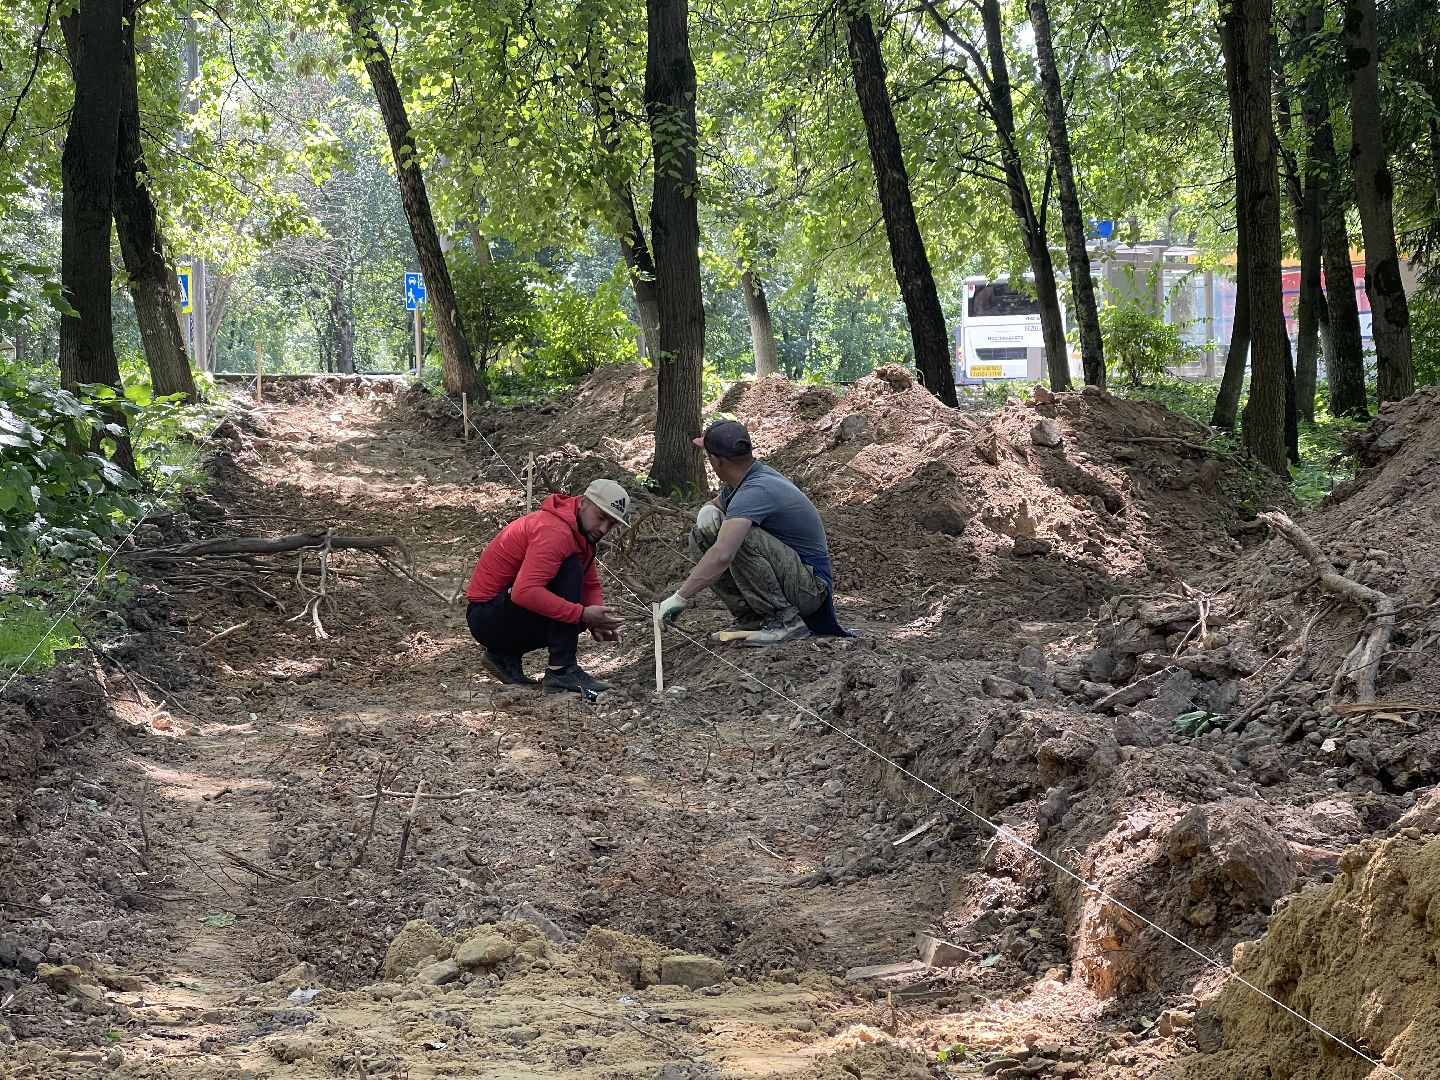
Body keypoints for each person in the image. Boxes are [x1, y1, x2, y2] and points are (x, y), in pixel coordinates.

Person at [656, 419, 848, 646]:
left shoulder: (755, 490)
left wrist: (680, 597)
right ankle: (752, 619)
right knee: (702, 535)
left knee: (737, 538)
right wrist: (709, 508)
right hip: (797, 578)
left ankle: (785, 620)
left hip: (810, 588)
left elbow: (723, 554)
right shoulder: (745, 480)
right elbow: (720, 502)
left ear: (716, 460)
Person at [466, 478, 628, 694]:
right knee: (570, 575)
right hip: (486, 616)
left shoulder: (579, 533)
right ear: (583, 502)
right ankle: (561, 670)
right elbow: (524, 592)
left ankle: (504, 655)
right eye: (601, 518)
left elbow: (590, 584)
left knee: (578, 606)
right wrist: (582, 614)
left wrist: (597, 622)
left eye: (612, 524)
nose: (604, 529)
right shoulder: (555, 531)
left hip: (498, 613)